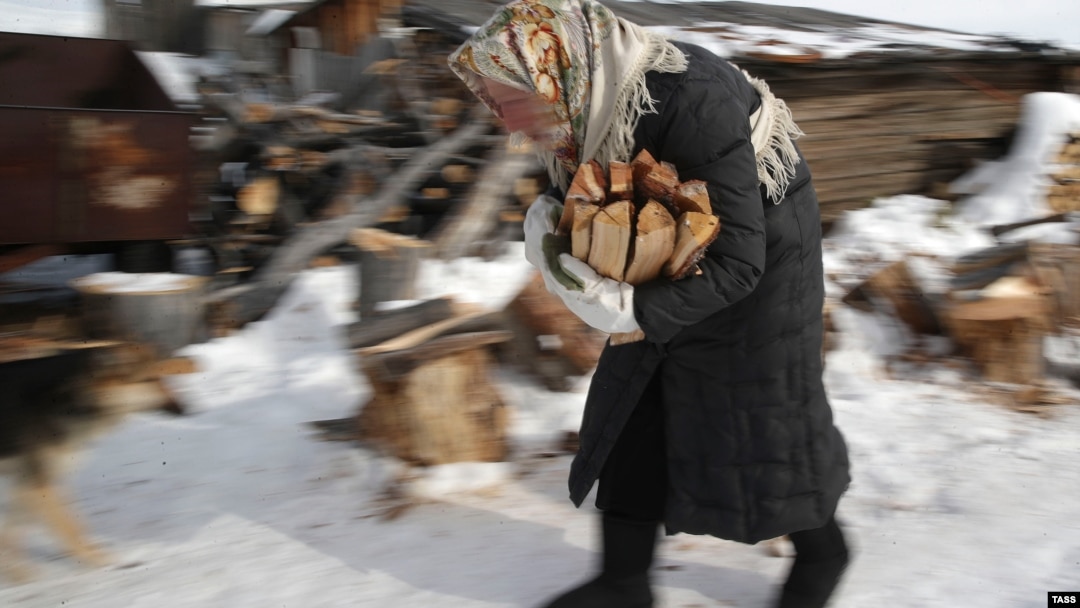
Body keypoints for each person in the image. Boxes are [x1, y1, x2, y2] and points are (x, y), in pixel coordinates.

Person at [448, 1, 851, 607]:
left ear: (547, 71)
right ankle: (624, 581)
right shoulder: (582, 102)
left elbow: (741, 261)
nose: (507, 124)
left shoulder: (690, 101)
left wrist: (637, 311)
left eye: (506, 101)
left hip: (764, 262)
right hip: (668, 244)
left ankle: (824, 556)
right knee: (636, 398)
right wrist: (556, 230)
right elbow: (585, 188)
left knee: (762, 418)